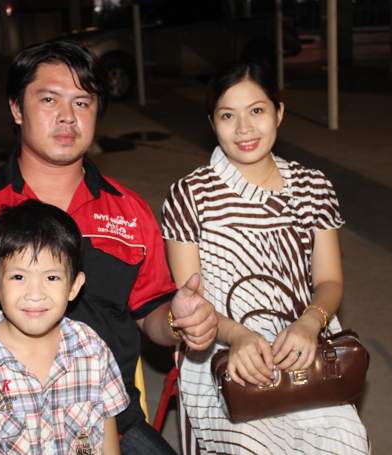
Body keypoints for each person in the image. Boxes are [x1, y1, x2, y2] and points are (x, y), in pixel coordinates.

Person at [0, 40, 217, 455]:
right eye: (49, 99)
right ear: (17, 108)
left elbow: (151, 314)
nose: (68, 116)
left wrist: (179, 320)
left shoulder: (129, 213)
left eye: (82, 102)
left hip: (106, 423)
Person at [161, 61, 370, 454]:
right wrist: (238, 335)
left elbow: (329, 281)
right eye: (228, 115)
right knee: (253, 445)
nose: (244, 128)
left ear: (279, 112)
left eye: (256, 110)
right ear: (212, 123)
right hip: (221, 349)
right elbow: (192, 303)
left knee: (348, 441)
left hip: (302, 344)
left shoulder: (313, 186)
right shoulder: (190, 195)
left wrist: (310, 323)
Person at [0, 200, 128, 454]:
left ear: (74, 286)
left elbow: (107, 434)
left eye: (52, 277)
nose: (35, 294)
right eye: (18, 277)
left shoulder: (93, 351)